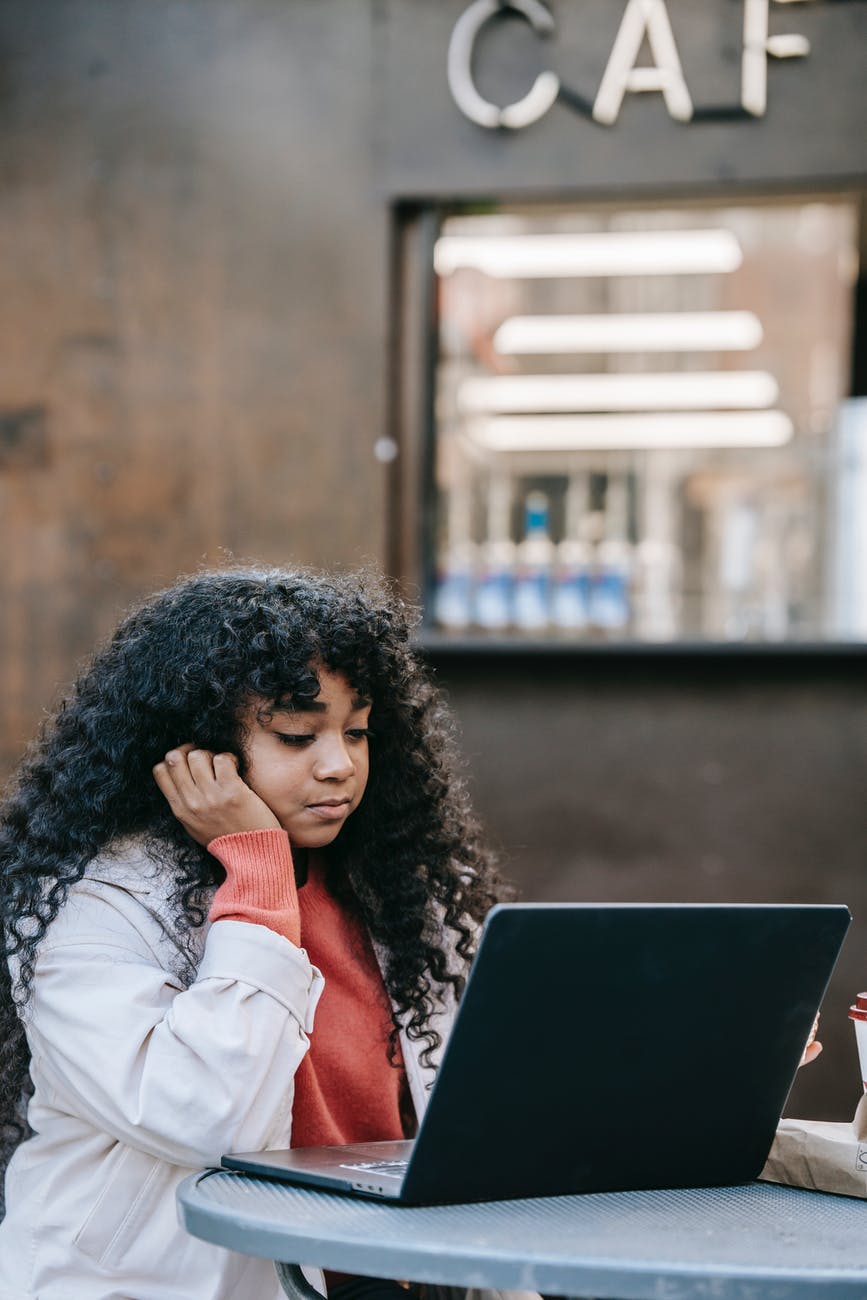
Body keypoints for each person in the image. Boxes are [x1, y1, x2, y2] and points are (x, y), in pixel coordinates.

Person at [0, 566, 512, 1300]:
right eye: (297, 736)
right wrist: (258, 872)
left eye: (358, 732)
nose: (339, 766)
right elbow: (204, 1117)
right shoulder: (95, 902)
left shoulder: (406, 890)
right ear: (195, 750)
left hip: (383, 1276)